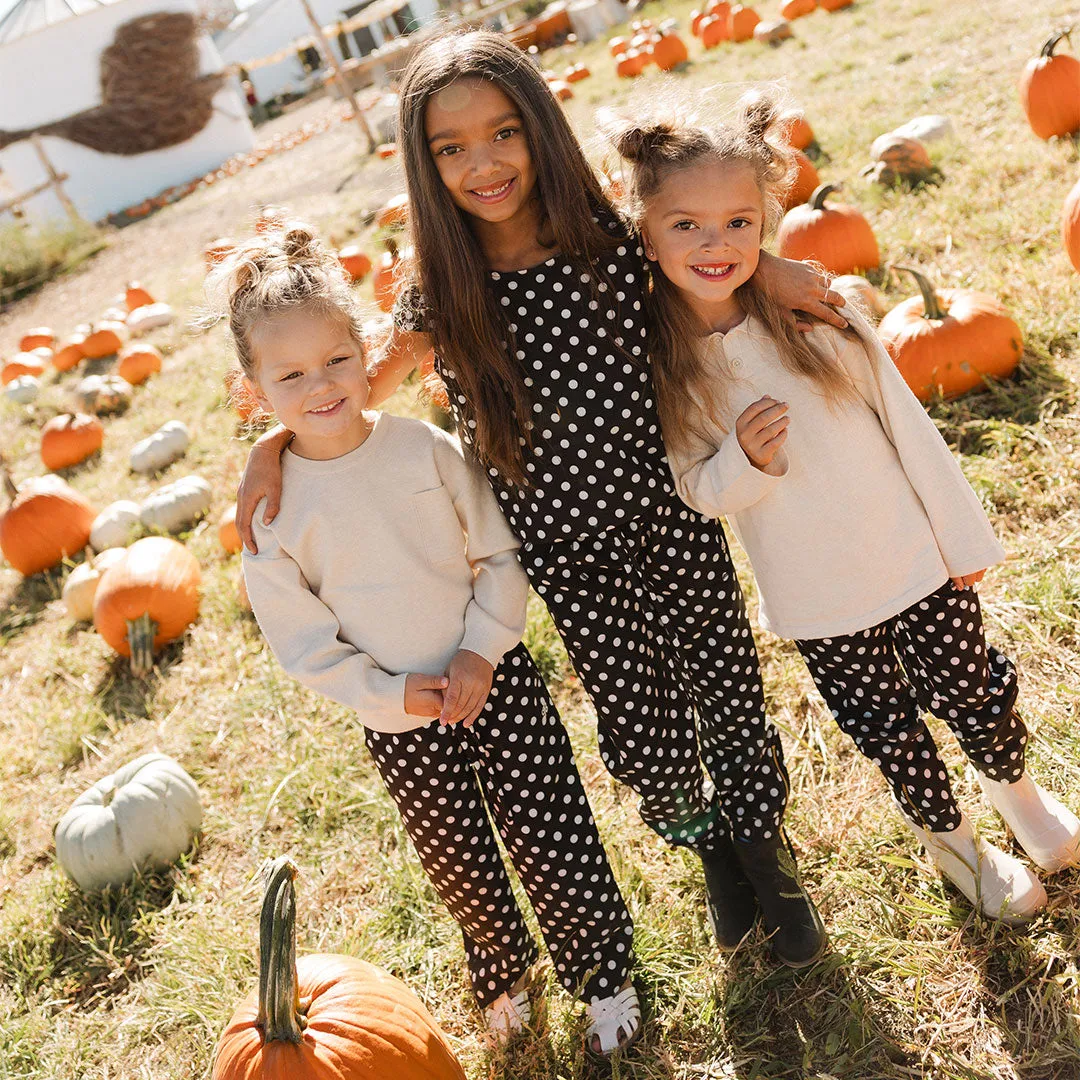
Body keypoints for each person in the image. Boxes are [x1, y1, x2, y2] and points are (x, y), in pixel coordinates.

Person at [234, 30, 849, 990]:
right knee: (641, 716)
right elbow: (352, 393)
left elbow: (699, 250)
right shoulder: (441, 288)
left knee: (724, 679)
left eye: (504, 132)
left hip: (670, 507)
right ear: (424, 161)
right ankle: (710, 853)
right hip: (560, 548)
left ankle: (763, 848)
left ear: (540, 131)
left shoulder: (609, 234)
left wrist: (769, 268)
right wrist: (268, 449)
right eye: (451, 147)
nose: (482, 163)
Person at [604, 92, 1080, 924]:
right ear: (643, 229)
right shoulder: (667, 368)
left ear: (766, 221)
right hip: (819, 596)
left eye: (739, 223)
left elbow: (908, 426)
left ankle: (1023, 801)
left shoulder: (819, 314)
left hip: (914, 557)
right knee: (889, 725)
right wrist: (743, 462)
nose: (716, 245)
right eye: (686, 226)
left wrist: (959, 535)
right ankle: (955, 844)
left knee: (974, 688)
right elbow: (696, 491)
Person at [212, 220, 638, 1053]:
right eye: (291, 374)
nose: (322, 384)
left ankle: (602, 974)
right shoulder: (272, 511)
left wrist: (482, 648)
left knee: (552, 833)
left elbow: (498, 550)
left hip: (495, 680)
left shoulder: (423, 449)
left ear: (365, 348)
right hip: (400, 717)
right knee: (461, 862)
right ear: (255, 390)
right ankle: (502, 967)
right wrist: (386, 693)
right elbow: (304, 644)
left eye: (337, 360)